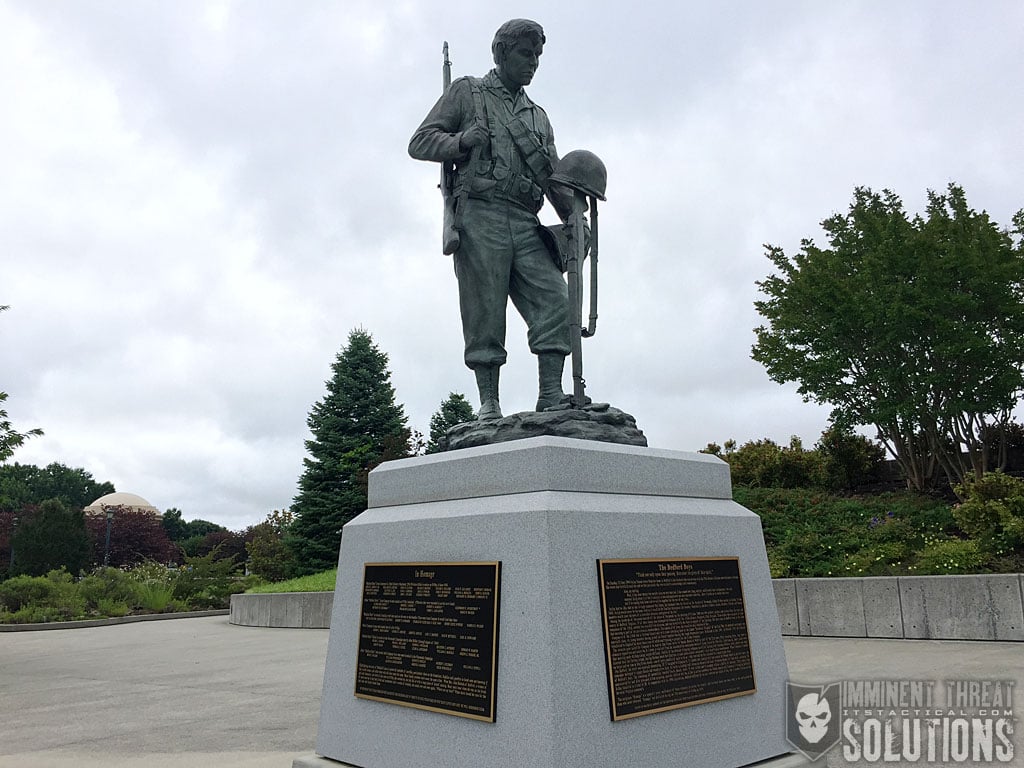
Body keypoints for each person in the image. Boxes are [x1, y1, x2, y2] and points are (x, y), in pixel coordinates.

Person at [409, 19, 573, 420]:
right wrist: (461, 141)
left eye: (537, 56)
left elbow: (551, 175)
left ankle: (551, 394)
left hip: (525, 217)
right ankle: (489, 403)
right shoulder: (468, 92)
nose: (533, 62)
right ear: (501, 54)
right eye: (525, 53)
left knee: (555, 300)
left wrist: (574, 216)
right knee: (484, 308)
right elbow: (420, 140)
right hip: (480, 214)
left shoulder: (538, 117)